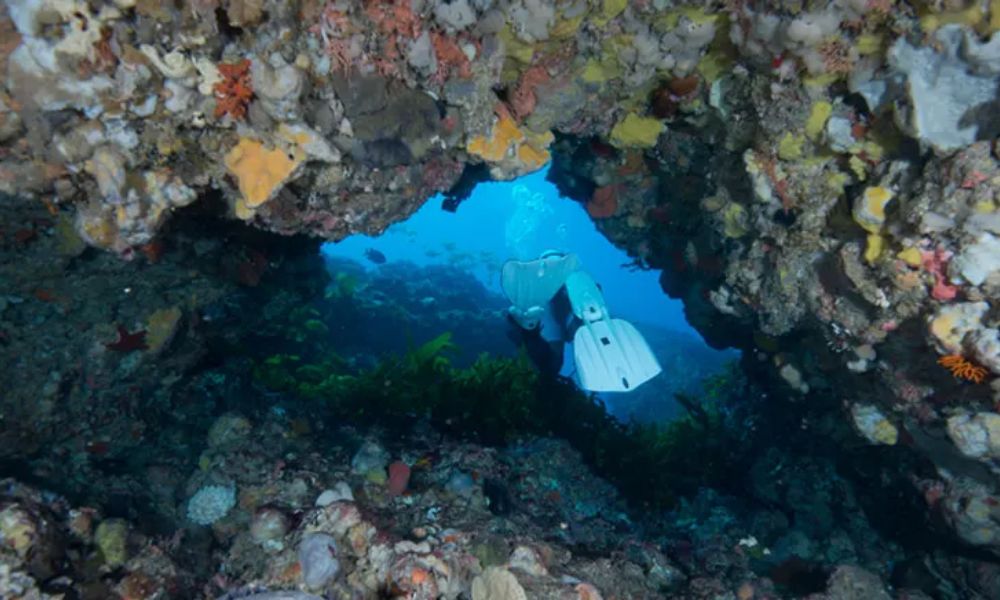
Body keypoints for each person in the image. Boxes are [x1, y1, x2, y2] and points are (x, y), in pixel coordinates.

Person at [501, 251, 662, 393]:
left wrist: (529, 333)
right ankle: (584, 313)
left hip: (552, 302)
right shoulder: (571, 281)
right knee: (583, 325)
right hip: (570, 295)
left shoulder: (546, 293)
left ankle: (531, 330)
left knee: (552, 365)